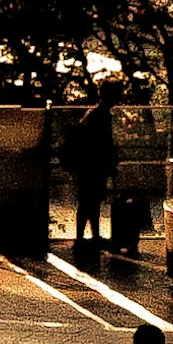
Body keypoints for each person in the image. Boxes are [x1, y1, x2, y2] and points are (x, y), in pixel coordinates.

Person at [63, 86, 117, 257]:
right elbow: (103, 144)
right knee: (91, 202)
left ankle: (85, 238)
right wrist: (110, 163)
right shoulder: (102, 116)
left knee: (89, 201)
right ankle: (87, 238)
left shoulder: (92, 114)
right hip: (94, 166)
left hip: (86, 166)